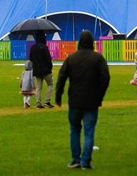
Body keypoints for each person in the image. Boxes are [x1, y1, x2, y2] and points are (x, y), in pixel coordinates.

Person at [55, 30, 110, 170]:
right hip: (92, 101)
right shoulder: (98, 59)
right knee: (89, 131)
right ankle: (86, 162)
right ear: (92, 42)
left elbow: (61, 77)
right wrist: (100, 95)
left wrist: (58, 95)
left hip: (74, 100)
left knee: (74, 130)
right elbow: (105, 78)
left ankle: (75, 160)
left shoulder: (72, 58)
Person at [29, 30, 54, 109]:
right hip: (46, 70)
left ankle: (38, 103)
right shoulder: (44, 47)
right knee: (50, 85)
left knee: (39, 87)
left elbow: (31, 58)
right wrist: (50, 67)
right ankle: (47, 101)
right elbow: (48, 59)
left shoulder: (33, 47)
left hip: (37, 70)